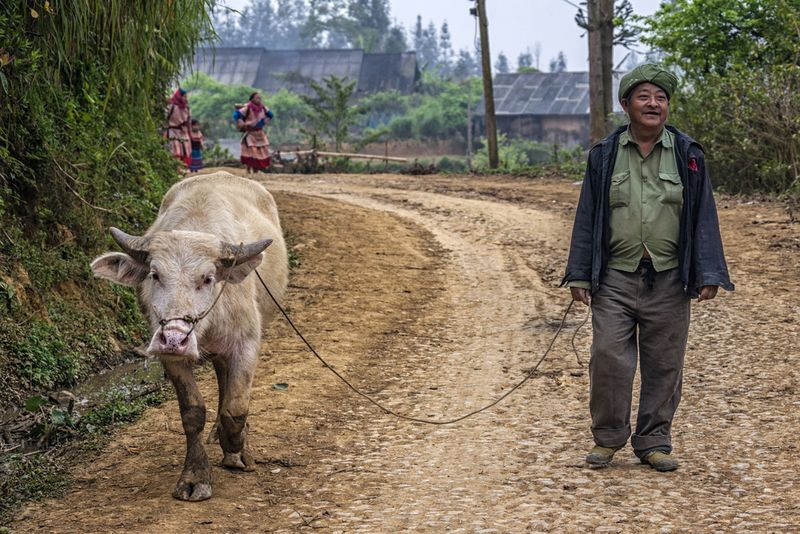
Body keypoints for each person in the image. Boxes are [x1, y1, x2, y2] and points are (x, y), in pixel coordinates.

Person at [562, 64, 734, 472]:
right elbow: (587, 216)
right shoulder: (604, 155)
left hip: (669, 278)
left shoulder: (688, 155)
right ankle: (607, 438)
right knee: (608, 358)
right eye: (644, 96)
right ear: (626, 104)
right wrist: (580, 272)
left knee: (664, 362)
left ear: (668, 106)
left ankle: (654, 441)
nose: (653, 103)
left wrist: (708, 271)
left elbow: (703, 215)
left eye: (661, 97)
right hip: (615, 277)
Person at [234, 92, 273, 173]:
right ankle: (249, 168)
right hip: (250, 133)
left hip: (259, 133)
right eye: (257, 98)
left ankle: (256, 169)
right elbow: (236, 115)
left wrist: (263, 122)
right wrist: (242, 124)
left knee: (260, 151)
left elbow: (270, 115)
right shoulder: (248, 108)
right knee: (251, 151)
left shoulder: (263, 108)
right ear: (252, 99)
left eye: (260, 98)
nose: (259, 99)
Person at [166, 88, 192, 167]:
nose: (185, 99)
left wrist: (189, 131)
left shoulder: (186, 108)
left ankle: (184, 168)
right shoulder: (171, 107)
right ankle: (176, 168)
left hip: (183, 131)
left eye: (186, 97)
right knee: (175, 150)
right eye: (184, 96)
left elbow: (189, 120)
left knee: (186, 150)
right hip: (173, 131)